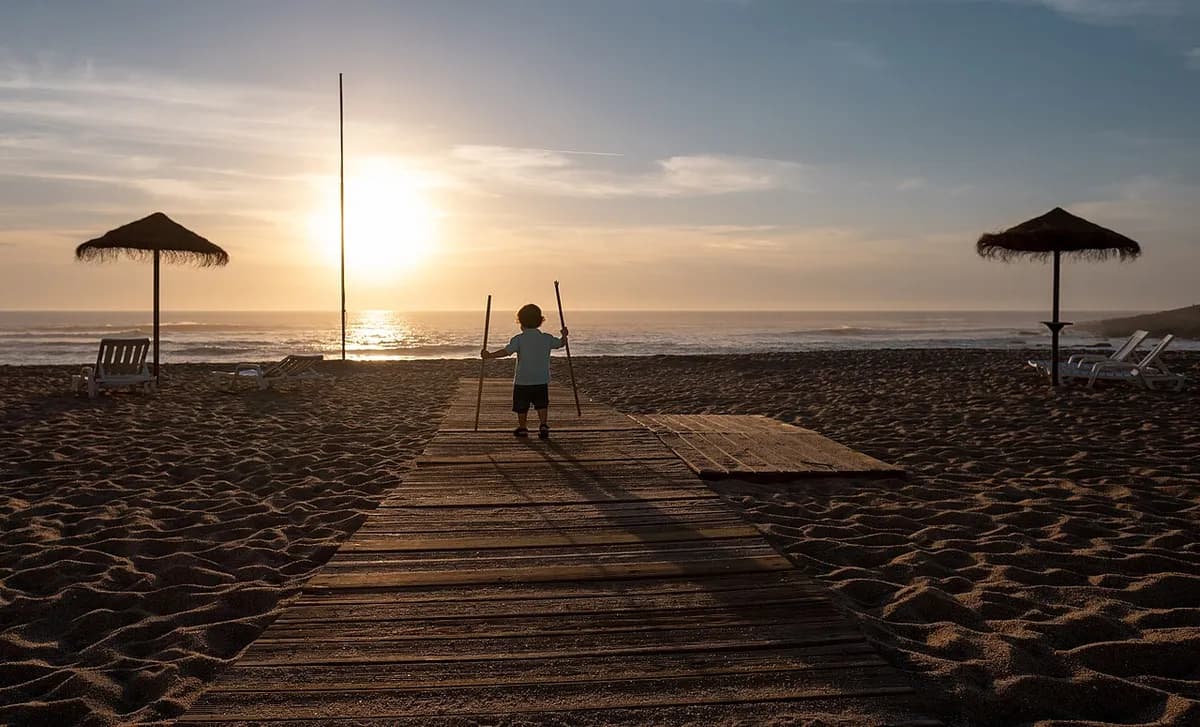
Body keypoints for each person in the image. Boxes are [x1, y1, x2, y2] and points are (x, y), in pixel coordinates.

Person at [481, 303, 568, 438]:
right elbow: (560, 344)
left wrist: (490, 355)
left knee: (521, 405)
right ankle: (543, 425)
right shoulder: (546, 338)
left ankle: (522, 427)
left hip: (523, 380)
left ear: (520, 322)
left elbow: (506, 352)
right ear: (540, 321)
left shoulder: (519, 339)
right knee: (541, 404)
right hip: (541, 379)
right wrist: (564, 336)